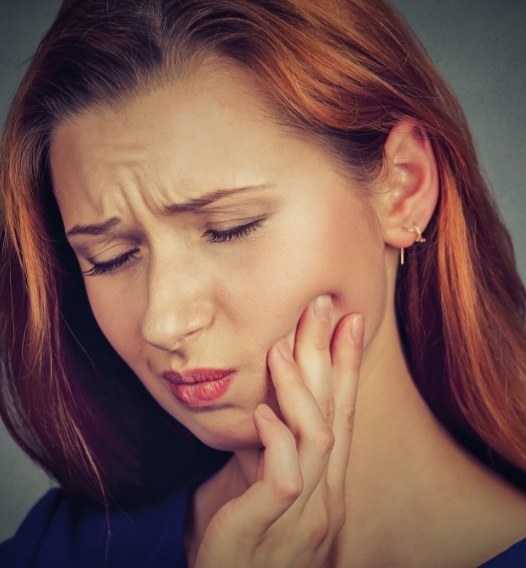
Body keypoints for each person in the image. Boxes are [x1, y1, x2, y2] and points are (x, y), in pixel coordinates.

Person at [1, 0, 525, 566]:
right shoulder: (50, 552)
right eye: (110, 257)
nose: (163, 322)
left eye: (230, 229)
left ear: (403, 187)